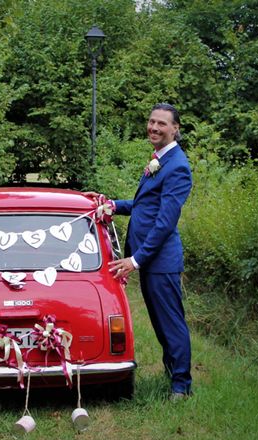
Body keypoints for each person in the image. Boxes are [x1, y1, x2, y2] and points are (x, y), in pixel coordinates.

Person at [89, 103, 193, 400]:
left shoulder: (178, 167)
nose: (154, 128)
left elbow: (164, 222)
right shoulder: (159, 160)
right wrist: (114, 206)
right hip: (150, 259)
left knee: (171, 321)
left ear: (176, 129)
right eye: (151, 122)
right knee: (160, 321)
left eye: (162, 123)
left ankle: (181, 386)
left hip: (160, 260)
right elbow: (146, 206)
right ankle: (172, 371)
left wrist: (136, 259)